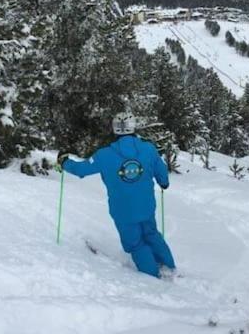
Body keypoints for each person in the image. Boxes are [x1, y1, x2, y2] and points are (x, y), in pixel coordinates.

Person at [58, 112, 176, 278]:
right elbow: (161, 172)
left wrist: (64, 162)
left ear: (115, 129)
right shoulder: (148, 149)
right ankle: (170, 268)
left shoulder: (104, 155)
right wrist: (163, 182)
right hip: (146, 206)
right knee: (151, 234)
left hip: (123, 210)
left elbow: (81, 170)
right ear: (133, 127)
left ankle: (152, 277)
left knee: (135, 243)